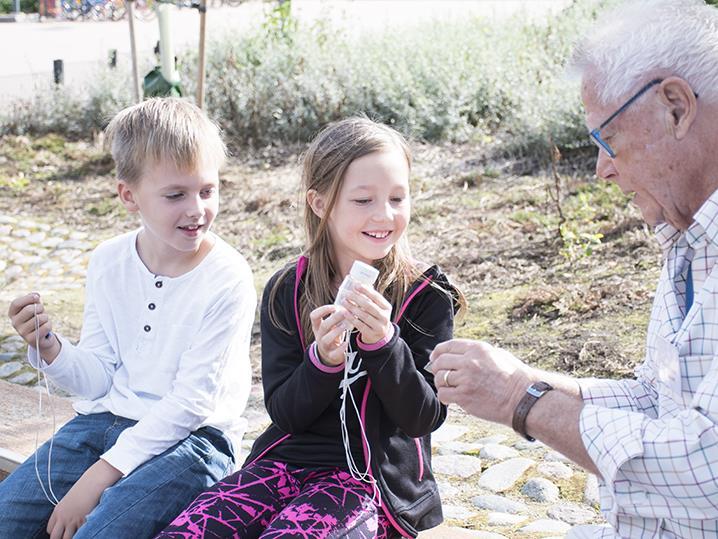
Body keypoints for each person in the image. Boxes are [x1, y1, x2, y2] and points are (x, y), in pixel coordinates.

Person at [428, 0, 718, 537]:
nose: (602, 169)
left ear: (676, 107)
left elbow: (707, 472)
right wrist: (523, 378)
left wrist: (519, 401)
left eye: (607, 139)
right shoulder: (689, 240)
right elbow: (657, 398)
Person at [155, 117, 465, 539]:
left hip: (369, 484)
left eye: (397, 197)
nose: (384, 215)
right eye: (363, 200)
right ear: (320, 203)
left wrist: (383, 344)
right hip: (282, 465)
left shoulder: (425, 296)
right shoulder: (288, 288)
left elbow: (423, 417)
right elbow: (284, 412)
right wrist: (323, 362)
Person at [0, 98, 256, 539]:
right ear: (129, 196)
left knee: (98, 533)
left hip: (193, 442)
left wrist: (99, 476)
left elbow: (191, 404)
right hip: (102, 426)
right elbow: (99, 379)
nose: (196, 209)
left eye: (207, 190)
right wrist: (50, 348)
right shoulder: (109, 261)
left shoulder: (226, 276)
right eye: (176, 195)